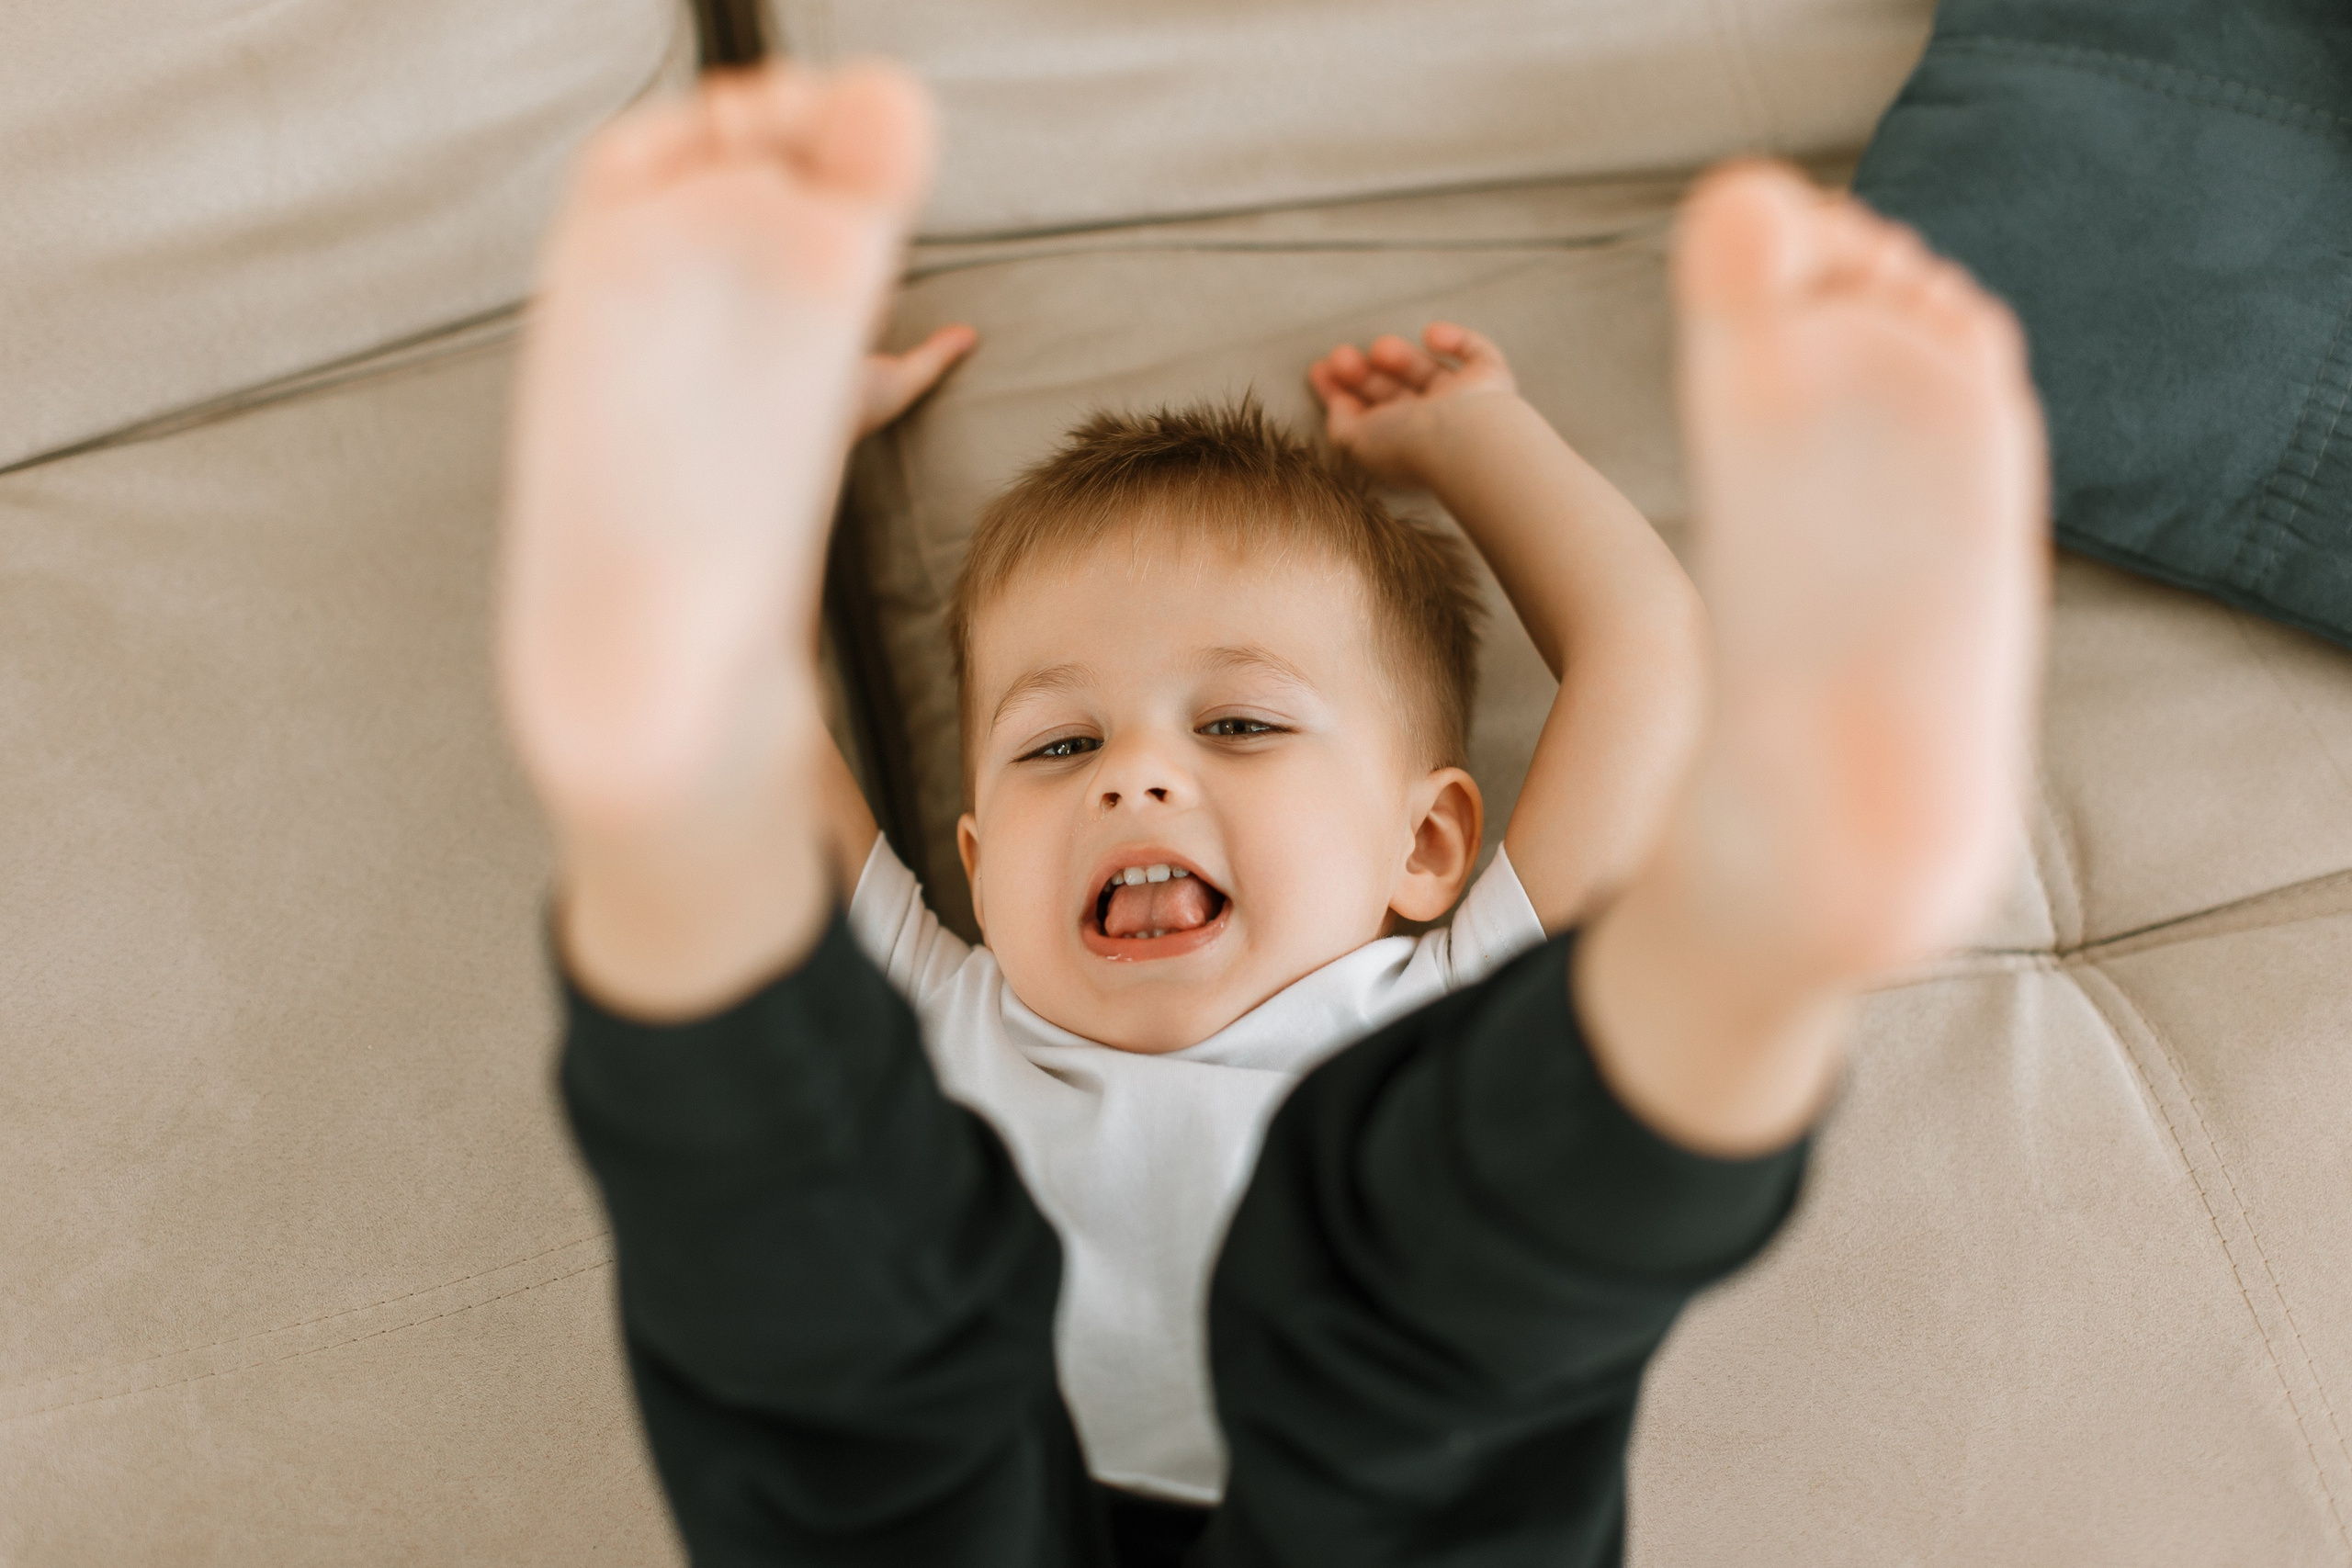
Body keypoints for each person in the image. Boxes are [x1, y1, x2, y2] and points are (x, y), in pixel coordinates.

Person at [497, 57, 2046, 1568]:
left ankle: (1726, 959)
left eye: (1238, 724)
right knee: (856, 1311)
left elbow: (1648, 661)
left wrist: (1476, 439)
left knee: (1436, 1283)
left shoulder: (1448, 985)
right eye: (1053, 750)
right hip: (1012, 1490)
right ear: (974, 867)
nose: (1135, 777)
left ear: (1427, 848)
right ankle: (674, 866)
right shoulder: (944, 996)